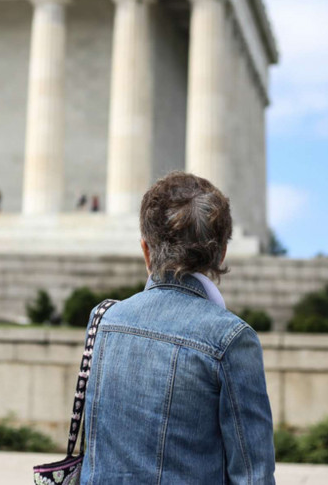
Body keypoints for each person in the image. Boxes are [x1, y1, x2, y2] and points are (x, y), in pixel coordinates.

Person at [80, 171, 275, 483]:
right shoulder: (232, 339)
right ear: (221, 253)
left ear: (146, 251)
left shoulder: (103, 320)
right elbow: (253, 475)